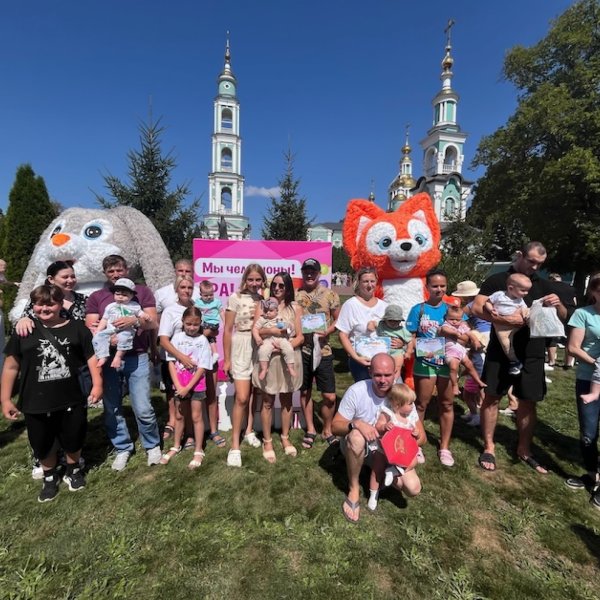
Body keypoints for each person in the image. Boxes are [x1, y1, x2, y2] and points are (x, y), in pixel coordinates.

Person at [472, 242, 570, 473]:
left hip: (532, 353)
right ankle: (489, 446)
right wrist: (508, 321)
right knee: (492, 397)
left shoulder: (544, 285)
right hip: (501, 352)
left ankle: (524, 449)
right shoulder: (497, 281)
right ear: (520, 255)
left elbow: (563, 317)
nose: (535, 267)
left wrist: (559, 306)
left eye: (540, 264)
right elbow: (476, 308)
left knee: (528, 401)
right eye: (531, 261)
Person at [1, 285, 102, 502]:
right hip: (35, 399)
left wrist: (97, 385)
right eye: (39, 304)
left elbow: (91, 359)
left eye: (51, 303)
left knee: (74, 435)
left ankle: (73, 469)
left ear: (60, 304)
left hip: (71, 396)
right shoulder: (23, 331)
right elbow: (10, 366)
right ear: (33, 305)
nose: (45, 308)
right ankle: (49, 476)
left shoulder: (77, 329)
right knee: (41, 440)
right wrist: (5, 398)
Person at [14, 260, 90, 480]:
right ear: (51, 280)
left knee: (74, 412)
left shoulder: (82, 300)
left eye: (72, 276)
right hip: (46, 368)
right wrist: (23, 320)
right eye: (65, 277)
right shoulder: (39, 302)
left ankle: (72, 456)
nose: (70, 280)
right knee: (45, 414)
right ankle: (45, 458)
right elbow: (28, 321)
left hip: (76, 363)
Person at [85, 255, 161, 471]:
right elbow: (92, 326)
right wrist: (108, 338)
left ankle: (152, 444)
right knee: (112, 407)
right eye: (111, 272)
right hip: (107, 358)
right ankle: (122, 447)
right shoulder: (97, 297)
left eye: (119, 270)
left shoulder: (142, 292)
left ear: (126, 270)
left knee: (143, 406)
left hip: (137, 355)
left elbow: (152, 322)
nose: (116, 275)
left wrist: (135, 320)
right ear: (105, 274)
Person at [332, 354, 422, 523]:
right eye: (377, 375)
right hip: (360, 445)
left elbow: (422, 437)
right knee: (357, 437)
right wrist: (357, 423)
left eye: (387, 375)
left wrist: (408, 435)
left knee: (412, 488)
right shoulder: (357, 390)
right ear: (369, 372)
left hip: (390, 452)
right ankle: (354, 489)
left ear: (395, 373)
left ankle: (379, 474)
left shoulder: (402, 394)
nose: (382, 380)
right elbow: (335, 426)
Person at [406, 268, 461, 467]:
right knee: (421, 404)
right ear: (427, 287)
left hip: (446, 363)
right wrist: (410, 347)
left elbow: (462, 332)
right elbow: (411, 334)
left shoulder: (452, 309)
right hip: (425, 362)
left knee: (446, 404)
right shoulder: (418, 309)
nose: (439, 289)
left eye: (442, 286)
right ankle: (417, 443)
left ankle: (444, 447)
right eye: (435, 285)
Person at [252, 272, 304, 463]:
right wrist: (272, 332)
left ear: (288, 287)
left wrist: (286, 347)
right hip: (268, 358)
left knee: (287, 400)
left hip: (287, 357)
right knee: (267, 400)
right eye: (275, 284)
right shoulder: (262, 305)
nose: (277, 288)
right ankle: (267, 440)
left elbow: (300, 336)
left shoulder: (295, 307)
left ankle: (284, 437)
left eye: (282, 285)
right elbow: (256, 330)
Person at [223, 264, 267, 467]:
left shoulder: (264, 300)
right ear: (245, 280)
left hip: (259, 347)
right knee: (241, 397)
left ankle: (249, 430)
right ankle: (234, 446)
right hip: (241, 346)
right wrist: (227, 359)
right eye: (251, 279)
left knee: (255, 392)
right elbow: (227, 329)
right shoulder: (235, 298)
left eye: (258, 279)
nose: (254, 283)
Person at [161, 306, 213, 469]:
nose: (191, 328)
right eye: (188, 324)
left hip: (196, 386)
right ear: (182, 322)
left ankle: (198, 450)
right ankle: (176, 445)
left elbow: (203, 367)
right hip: (179, 384)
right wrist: (178, 385)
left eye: (195, 325)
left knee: (197, 417)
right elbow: (171, 362)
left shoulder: (203, 341)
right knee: (179, 416)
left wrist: (188, 387)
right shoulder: (176, 338)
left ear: (200, 324)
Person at [295, 258, 340, 448]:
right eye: (306, 271)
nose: (309, 274)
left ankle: (327, 428)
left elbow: (339, 320)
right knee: (305, 392)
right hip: (303, 350)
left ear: (319, 273)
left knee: (329, 396)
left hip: (324, 350)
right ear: (303, 272)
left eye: (313, 271)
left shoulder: (330, 295)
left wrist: (328, 331)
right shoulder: (295, 295)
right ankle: (311, 428)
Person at [154, 259, 199, 441]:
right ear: (177, 290)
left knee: (193, 396)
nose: (186, 291)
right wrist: (181, 357)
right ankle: (174, 426)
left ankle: (189, 433)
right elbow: (163, 340)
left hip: (193, 362)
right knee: (175, 395)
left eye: (189, 288)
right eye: (183, 288)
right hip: (175, 362)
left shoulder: (196, 308)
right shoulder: (170, 311)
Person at [566, 275, 600, 503]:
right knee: (588, 434)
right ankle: (591, 474)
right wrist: (596, 363)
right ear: (594, 291)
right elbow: (572, 348)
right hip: (589, 378)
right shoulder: (583, 314)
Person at [367, 383, 426, 511]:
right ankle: (373, 494)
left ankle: (393, 471)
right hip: (384, 450)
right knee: (377, 470)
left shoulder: (409, 418)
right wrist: (384, 426)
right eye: (410, 403)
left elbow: (415, 435)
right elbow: (378, 426)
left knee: (414, 460)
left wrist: (415, 434)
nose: (413, 406)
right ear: (398, 404)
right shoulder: (388, 413)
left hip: (400, 452)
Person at [336, 266, 387, 382]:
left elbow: (392, 331)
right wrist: (356, 357)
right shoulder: (351, 305)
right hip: (360, 362)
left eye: (372, 281)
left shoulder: (384, 306)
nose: (369, 285)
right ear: (358, 282)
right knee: (365, 394)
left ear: (376, 282)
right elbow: (342, 335)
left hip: (382, 360)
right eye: (365, 281)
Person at [452, 280, 490, 426]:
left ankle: (478, 413)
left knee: (477, 362)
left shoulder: (469, 306)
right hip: (489, 334)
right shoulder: (484, 301)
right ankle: (476, 410)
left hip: (480, 335)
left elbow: (458, 318)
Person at [92, 278, 151, 369]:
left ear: (131, 296)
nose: (120, 297)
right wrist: (99, 330)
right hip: (111, 329)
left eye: (124, 295)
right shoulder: (110, 306)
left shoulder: (134, 305)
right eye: (117, 294)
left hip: (126, 329)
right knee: (98, 337)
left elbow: (140, 313)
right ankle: (103, 355)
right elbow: (104, 319)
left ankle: (118, 357)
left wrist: (145, 316)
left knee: (124, 338)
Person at [484, 273, 532, 375]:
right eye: (523, 290)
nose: (526, 293)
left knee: (526, 310)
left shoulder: (520, 300)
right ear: (510, 288)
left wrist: (525, 315)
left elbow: (523, 308)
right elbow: (487, 302)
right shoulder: (499, 295)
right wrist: (491, 309)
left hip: (516, 324)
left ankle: (531, 323)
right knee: (506, 344)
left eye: (527, 290)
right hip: (502, 327)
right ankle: (514, 361)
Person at [438, 304, 486, 397]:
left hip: (461, 350)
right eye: (451, 319)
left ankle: (478, 380)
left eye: (458, 320)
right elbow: (445, 329)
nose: (454, 322)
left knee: (470, 365)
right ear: (446, 318)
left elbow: (470, 333)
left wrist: (475, 340)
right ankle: (455, 385)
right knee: (454, 367)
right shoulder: (446, 325)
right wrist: (455, 333)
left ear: (461, 319)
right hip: (451, 352)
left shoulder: (462, 326)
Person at [253, 297, 297, 381]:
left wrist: (287, 331)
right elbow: (255, 329)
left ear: (276, 310)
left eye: (271, 311)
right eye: (266, 311)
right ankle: (264, 369)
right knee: (262, 351)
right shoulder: (262, 319)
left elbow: (289, 328)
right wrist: (257, 338)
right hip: (268, 340)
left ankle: (290, 367)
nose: (268, 313)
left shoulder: (280, 318)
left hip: (281, 339)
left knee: (288, 349)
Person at [376, 304, 414, 382]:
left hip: (397, 352)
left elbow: (410, 341)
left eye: (396, 321)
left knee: (397, 366)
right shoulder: (381, 325)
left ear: (400, 321)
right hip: (383, 351)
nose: (393, 323)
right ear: (385, 320)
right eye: (390, 320)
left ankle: (395, 379)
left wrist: (408, 352)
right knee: (380, 365)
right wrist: (370, 325)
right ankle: (382, 376)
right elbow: (373, 324)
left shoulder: (402, 330)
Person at [194, 279, 224, 363]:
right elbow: (195, 311)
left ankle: (212, 352)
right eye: (206, 295)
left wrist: (224, 321)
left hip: (213, 323)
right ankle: (214, 352)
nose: (209, 297)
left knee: (201, 335)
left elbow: (221, 311)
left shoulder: (216, 302)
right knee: (210, 338)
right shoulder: (198, 302)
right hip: (204, 323)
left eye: (211, 295)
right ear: (201, 294)